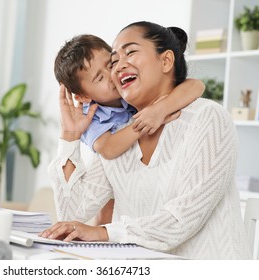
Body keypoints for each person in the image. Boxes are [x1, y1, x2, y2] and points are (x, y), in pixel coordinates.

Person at [43, 21, 251, 260]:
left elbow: (182, 220)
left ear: (165, 61)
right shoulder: (118, 135)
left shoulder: (207, 118)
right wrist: (70, 137)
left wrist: (103, 232)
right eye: (114, 61)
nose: (118, 66)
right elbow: (73, 212)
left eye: (130, 52)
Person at [53, 34, 204, 225]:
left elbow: (196, 85)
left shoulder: (134, 89)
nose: (112, 75)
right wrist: (145, 121)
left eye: (110, 64)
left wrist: (160, 109)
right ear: (83, 96)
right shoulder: (91, 115)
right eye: (99, 78)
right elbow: (108, 148)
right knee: (106, 215)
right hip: (114, 191)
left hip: (152, 190)